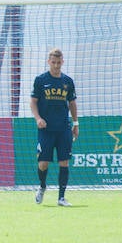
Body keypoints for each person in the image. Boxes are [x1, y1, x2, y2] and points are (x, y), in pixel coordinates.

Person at [30, 47, 78, 207]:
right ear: (48, 62)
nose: (56, 65)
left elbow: (72, 103)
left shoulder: (68, 81)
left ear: (63, 62)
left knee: (64, 162)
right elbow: (33, 102)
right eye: (53, 62)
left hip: (64, 128)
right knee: (43, 163)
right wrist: (38, 118)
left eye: (59, 62)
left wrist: (75, 123)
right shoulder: (40, 80)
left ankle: (61, 198)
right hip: (46, 129)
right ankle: (42, 186)